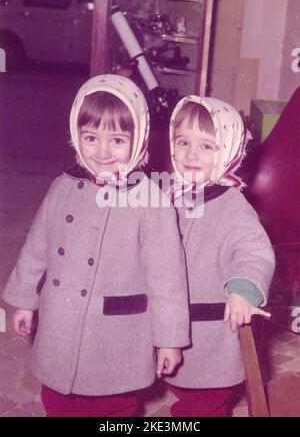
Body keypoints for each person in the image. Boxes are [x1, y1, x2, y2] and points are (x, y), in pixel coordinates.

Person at [2, 75, 190, 417]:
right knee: (57, 396)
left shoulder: (151, 200)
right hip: (63, 320)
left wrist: (170, 338)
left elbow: (168, 279)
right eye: (91, 138)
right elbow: (36, 248)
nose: (102, 152)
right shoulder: (63, 186)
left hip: (116, 333)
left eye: (117, 140)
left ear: (139, 142)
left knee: (113, 405)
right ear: (76, 136)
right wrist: (25, 301)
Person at [165, 95, 275, 417]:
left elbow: (254, 251)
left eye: (207, 146)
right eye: (182, 141)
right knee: (181, 389)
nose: (191, 154)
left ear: (227, 152)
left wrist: (242, 289)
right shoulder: (167, 193)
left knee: (202, 404)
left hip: (208, 335)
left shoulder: (232, 208)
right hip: (169, 324)